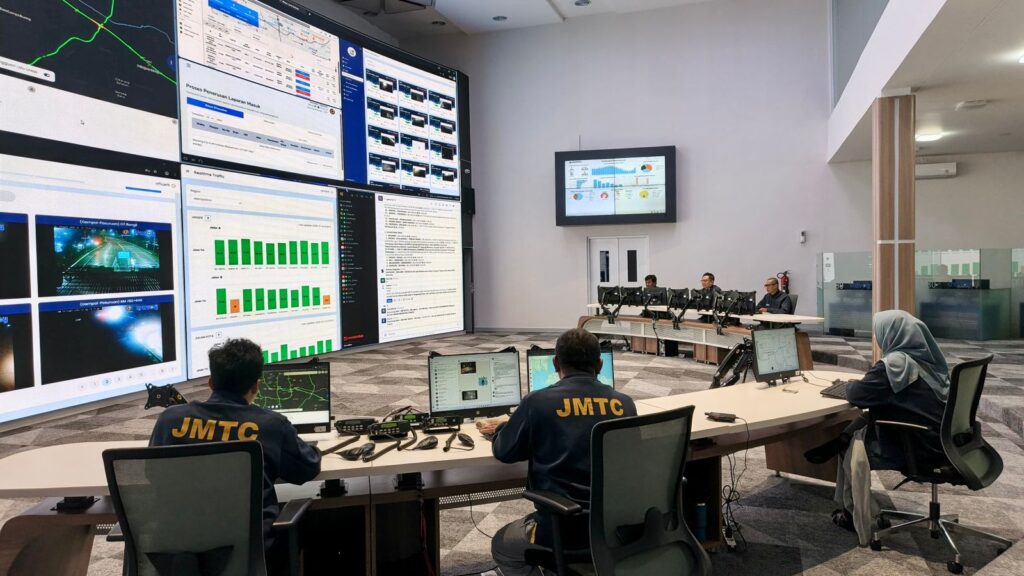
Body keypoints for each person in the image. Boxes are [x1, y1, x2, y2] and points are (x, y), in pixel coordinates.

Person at [477, 328, 637, 576]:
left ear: (555, 363)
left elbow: (504, 452)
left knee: (502, 545)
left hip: (561, 531)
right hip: (615, 530)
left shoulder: (537, 402)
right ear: (600, 364)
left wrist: (501, 429)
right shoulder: (625, 404)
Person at [150, 338, 322, 547]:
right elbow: (307, 468)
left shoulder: (170, 420)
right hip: (246, 551)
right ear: (256, 385)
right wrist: (313, 449)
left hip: (175, 548)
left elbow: (152, 473)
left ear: (211, 383)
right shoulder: (271, 426)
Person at [804, 310, 948, 538]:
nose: (876, 337)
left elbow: (858, 396)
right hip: (943, 440)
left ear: (890, 335)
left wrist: (852, 384)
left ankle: (858, 516)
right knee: (864, 420)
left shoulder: (894, 366)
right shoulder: (930, 361)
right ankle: (839, 440)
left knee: (853, 446)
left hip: (914, 444)